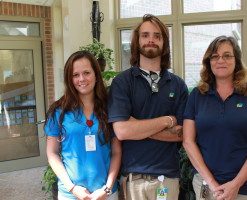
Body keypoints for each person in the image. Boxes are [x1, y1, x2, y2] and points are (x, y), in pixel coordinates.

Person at [108, 14, 188, 200]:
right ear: (137, 41)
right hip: (133, 178)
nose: (151, 39)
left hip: (167, 178)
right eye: (145, 35)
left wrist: (137, 127)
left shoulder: (178, 85)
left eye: (157, 36)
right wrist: (167, 120)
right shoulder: (122, 83)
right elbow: (121, 131)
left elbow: (183, 133)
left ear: (164, 43)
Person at [183, 36, 247, 200]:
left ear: (236, 60)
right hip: (207, 186)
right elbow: (188, 141)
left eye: (227, 55)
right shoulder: (197, 95)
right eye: (215, 56)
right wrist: (211, 183)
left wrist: (236, 183)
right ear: (209, 62)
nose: (220, 60)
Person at [44, 51, 121, 200]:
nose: (82, 79)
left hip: (106, 193)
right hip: (71, 194)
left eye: (87, 73)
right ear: (69, 78)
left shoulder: (110, 109)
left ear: (96, 75)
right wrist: (72, 188)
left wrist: (107, 188)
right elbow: (52, 153)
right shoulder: (58, 111)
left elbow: (117, 152)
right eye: (75, 75)